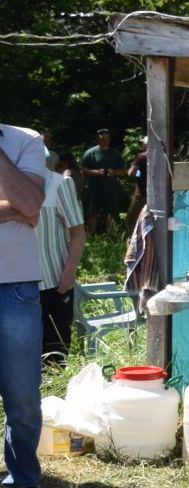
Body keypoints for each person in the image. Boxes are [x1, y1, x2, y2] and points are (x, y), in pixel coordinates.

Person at [1, 122, 48, 488]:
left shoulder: (25, 140)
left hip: (16, 285)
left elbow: (31, 206)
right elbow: (23, 208)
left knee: (23, 396)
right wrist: (11, 210)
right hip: (18, 286)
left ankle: (24, 482)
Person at [34, 155, 86, 362]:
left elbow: (78, 232)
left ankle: (53, 393)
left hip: (54, 280)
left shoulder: (58, 183)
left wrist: (70, 271)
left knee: (54, 350)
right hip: (13, 284)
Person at [78, 129, 123, 236]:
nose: (105, 141)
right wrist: (95, 172)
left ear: (110, 139)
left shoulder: (115, 154)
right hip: (94, 188)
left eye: (107, 139)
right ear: (98, 139)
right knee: (92, 212)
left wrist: (114, 172)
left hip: (111, 188)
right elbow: (82, 170)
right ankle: (91, 235)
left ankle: (112, 235)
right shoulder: (90, 153)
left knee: (111, 212)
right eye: (102, 139)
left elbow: (123, 171)